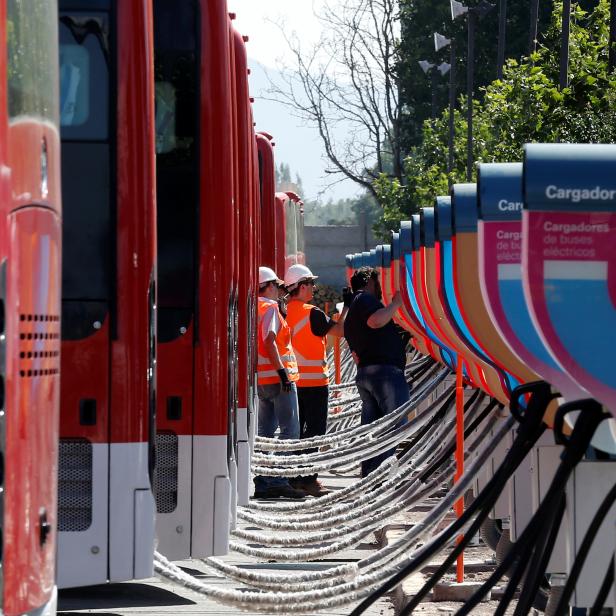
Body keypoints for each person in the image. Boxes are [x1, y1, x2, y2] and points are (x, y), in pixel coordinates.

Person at [283, 264, 354, 497]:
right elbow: (342, 331)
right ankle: (309, 479)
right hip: (314, 385)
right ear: (302, 286)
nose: (314, 287)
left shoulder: (282, 312)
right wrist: (346, 308)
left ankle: (293, 478)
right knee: (314, 434)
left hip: (291, 383)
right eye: (311, 283)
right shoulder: (312, 313)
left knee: (295, 434)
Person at [343, 266, 410, 477]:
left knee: (372, 431)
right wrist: (396, 303)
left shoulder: (353, 308)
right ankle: (381, 477)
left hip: (367, 374)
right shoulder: (365, 299)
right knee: (393, 426)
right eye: (378, 283)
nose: (381, 288)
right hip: (385, 373)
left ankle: (370, 476)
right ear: (370, 282)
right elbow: (375, 320)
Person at [253, 266, 306, 499]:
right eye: (278, 286)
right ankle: (276, 479)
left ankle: (263, 481)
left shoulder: (253, 307)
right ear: (270, 286)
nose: (280, 291)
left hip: (262, 380)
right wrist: (283, 373)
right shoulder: (271, 308)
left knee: (264, 433)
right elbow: (270, 340)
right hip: (279, 379)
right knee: (290, 431)